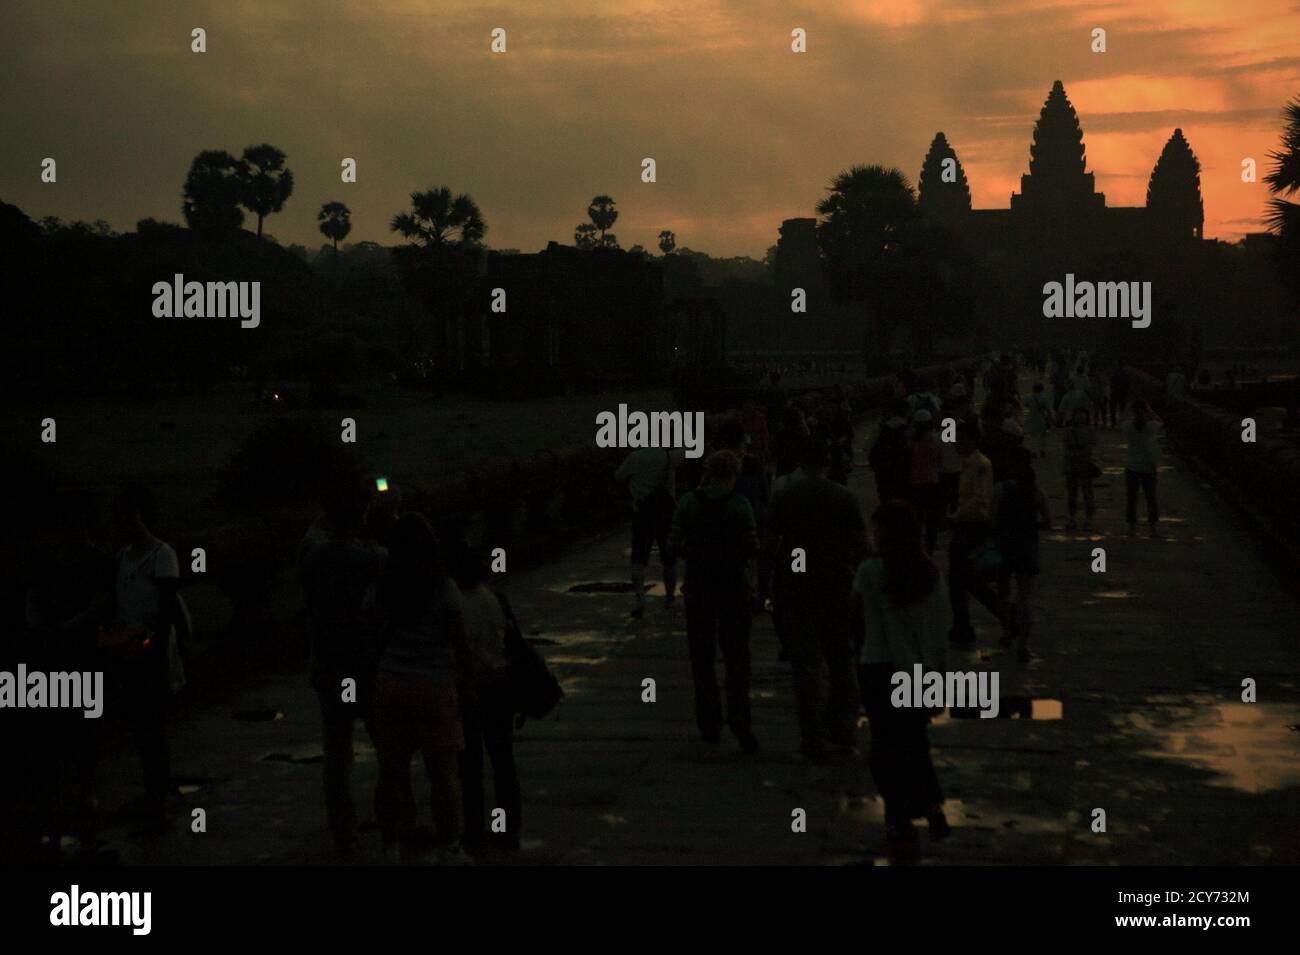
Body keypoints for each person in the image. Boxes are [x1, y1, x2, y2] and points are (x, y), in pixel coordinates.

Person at [364, 513, 472, 858]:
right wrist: (467, 684)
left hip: (392, 681)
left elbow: (370, 631)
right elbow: (459, 642)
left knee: (391, 771)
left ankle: (390, 843)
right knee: (442, 773)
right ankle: (450, 845)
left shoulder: (382, 586)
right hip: (435, 684)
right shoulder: (443, 587)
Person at [851, 501, 951, 860]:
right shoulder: (929, 573)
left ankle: (900, 818)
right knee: (913, 743)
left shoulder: (870, 571)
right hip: (919, 671)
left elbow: (858, 621)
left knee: (883, 749)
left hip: (879, 666)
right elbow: (940, 632)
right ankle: (930, 806)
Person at [763, 440, 866, 761]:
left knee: (805, 665)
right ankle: (843, 730)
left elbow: (769, 545)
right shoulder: (845, 497)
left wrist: (763, 587)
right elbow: (862, 546)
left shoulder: (784, 496)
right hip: (836, 584)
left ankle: (812, 735)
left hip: (796, 585)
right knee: (841, 661)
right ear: (828, 464)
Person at [299, 478, 388, 851]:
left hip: (330, 661)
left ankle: (343, 828)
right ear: (363, 516)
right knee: (388, 747)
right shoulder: (375, 559)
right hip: (368, 663)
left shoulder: (314, 555)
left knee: (336, 751)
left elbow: (311, 536)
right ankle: (389, 816)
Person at [24, 490, 113, 849]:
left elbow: (100, 604)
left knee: (83, 726)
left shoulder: (97, 561)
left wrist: (65, 628)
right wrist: (40, 628)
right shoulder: (48, 560)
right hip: (52, 651)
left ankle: (85, 789)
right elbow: (32, 595)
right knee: (52, 725)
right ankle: (57, 791)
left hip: (81, 651)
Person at [670, 451, 760, 752]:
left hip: (698, 587)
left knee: (702, 658)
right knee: (737, 659)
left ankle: (709, 722)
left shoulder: (688, 503)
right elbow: (752, 547)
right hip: (733, 587)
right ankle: (740, 722)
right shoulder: (740, 505)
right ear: (733, 474)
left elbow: (673, 545)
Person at [108, 486, 182, 831]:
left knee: (151, 726)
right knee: (143, 727)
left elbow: (167, 612)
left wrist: (152, 647)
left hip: (150, 652)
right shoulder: (123, 558)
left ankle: (157, 794)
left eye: (132, 516)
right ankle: (155, 792)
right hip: (130, 650)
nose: (127, 523)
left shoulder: (161, 555)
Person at [449, 547, 521, 853]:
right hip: (499, 686)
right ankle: (505, 829)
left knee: (470, 768)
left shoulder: (454, 607)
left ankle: (475, 831)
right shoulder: (496, 601)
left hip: (470, 690)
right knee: (502, 763)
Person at [991, 450, 1050, 662]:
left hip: (1004, 547)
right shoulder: (1037, 492)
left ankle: (1007, 632)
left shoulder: (1000, 489)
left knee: (1002, 594)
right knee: (1024, 599)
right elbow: (1048, 522)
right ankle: (1023, 646)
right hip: (1027, 549)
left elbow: (992, 518)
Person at [947, 423, 1000, 647]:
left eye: (962, 439)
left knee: (965, 579)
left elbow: (979, 500)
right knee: (961, 580)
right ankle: (963, 625)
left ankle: (1003, 614)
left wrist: (955, 516)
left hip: (973, 526)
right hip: (965, 525)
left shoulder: (979, 465)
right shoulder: (967, 464)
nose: (958, 443)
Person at [614, 446, 683, 618]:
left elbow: (619, 476)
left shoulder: (634, 457)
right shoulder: (671, 457)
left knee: (638, 559)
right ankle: (670, 597)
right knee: (669, 559)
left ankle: (640, 599)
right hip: (665, 513)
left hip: (642, 512)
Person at [1122, 399, 1163, 537]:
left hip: (1132, 466)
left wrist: (1128, 409)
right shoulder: (1151, 426)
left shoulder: (1128, 426)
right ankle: (1153, 527)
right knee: (1151, 498)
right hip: (1148, 466)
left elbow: (1121, 422)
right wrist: (1150, 410)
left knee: (1131, 498)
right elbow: (1161, 422)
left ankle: (1132, 527)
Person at [908, 410, 944, 555]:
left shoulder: (910, 443)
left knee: (917, 519)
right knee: (932, 520)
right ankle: (929, 547)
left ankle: (917, 546)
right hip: (933, 483)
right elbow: (940, 461)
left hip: (915, 484)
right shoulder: (936, 441)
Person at [869, 400, 912, 504]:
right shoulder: (908, 430)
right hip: (902, 474)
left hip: (883, 473)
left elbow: (870, 449)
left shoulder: (881, 430)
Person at [1062, 407, 1097, 531]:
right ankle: (1071, 517)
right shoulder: (1069, 431)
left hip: (1084, 465)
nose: (1081, 417)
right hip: (1072, 464)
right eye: (1078, 415)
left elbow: (1091, 447)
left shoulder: (1090, 430)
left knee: (1087, 493)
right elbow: (1067, 448)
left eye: (1083, 415)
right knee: (1072, 493)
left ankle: (1089, 518)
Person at [1024, 382, 1053, 457]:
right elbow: (1048, 410)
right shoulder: (1044, 398)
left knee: (1033, 436)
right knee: (1042, 435)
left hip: (1031, 418)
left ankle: (1033, 451)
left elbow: (1025, 405)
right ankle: (1042, 450)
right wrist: (1050, 418)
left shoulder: (1028, 397)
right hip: (1041, 418)